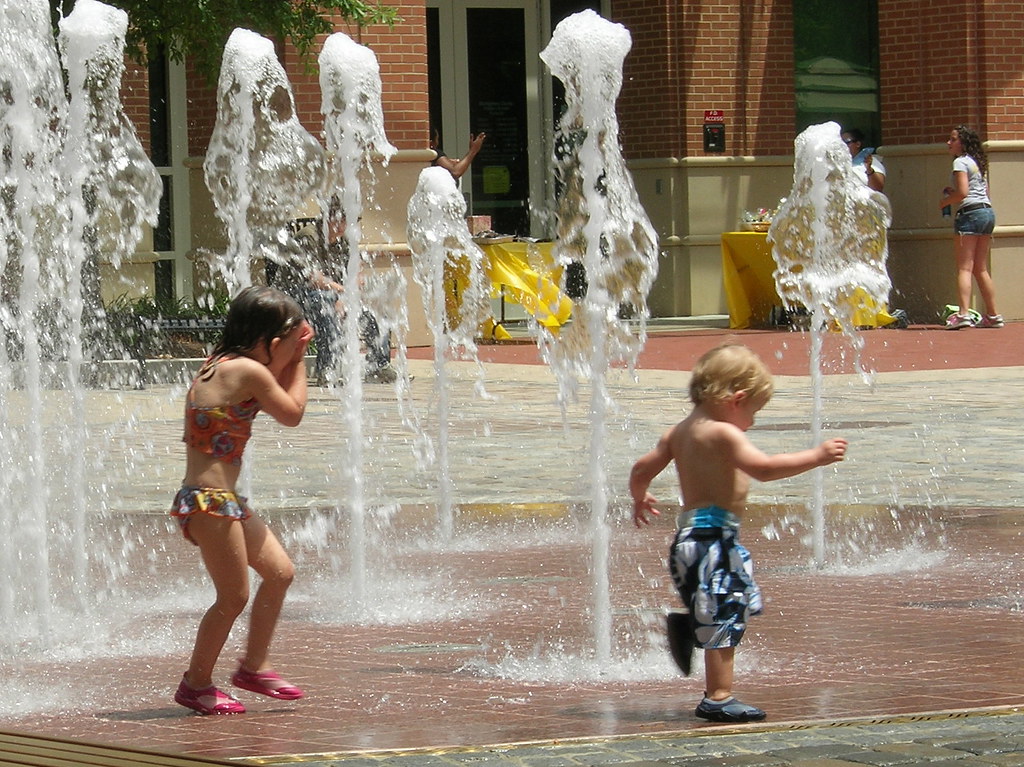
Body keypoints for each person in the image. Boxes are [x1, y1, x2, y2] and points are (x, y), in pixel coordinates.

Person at [629, 343, 847, 724]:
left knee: (714, 605)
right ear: (737, 399)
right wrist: (818, 456)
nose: (753, 422)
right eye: (754, 412)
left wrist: (639, 496)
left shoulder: (677, 433)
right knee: (726, 613)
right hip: (714, 540)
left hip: (688, 541)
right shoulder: (724, 435)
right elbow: (762, 468)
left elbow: (641, 468)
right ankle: (718, 697)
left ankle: (690, 622)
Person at [171, 286, 314, 715]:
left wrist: (291, 353)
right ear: (269, 343)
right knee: (233, 597)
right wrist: (302, 362)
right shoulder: (250, 372)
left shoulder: (221, 364)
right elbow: (292, 413)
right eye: (290, 345)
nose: (292, 354)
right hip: (208, 502)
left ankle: (254, 666)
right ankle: (195, 684)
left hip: (218, 500)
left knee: (280, 572)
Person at [270, 210, 397, 385]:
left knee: (368, 312)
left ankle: (379, 366)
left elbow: (356, 274)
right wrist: (342, 292)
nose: (349, 226)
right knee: (324, 303)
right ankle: (327, 369)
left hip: (329, 294)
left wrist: (345, 297)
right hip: (292, 297)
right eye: (346, 220)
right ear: (331, 218)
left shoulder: (342, 241)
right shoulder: (309, 236)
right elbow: (312, 277)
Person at [938, 125, 1002, 330]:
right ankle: (993, 315)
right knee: (981, 268)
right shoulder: (978, 163)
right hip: (986, 213)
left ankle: (963, 314)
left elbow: (963, 193)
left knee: (964, 267)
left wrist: (946, 202)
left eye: (953, 139)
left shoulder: (959, 162)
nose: (949, 143)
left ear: (963, 143)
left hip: (970, 215)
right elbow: (981, 192)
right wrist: (954, 191)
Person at [841, 128, 886, 193]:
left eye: (846, 143)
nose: (843, 146)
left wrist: (869, 169)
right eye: (841, 144)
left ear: (858, 144)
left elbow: (878, 188)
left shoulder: (871, 161)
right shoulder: (840, 164)